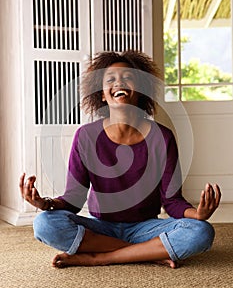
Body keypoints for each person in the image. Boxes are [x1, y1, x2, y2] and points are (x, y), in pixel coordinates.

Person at [19, 50, 221, 269]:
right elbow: (73, 199)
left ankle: (101, 257)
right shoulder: (86, 136)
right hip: (101, 228)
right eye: (111, 79)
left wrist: (197, 214)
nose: (119, 82)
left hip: (146, 228)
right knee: (44, 224)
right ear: (102, 94)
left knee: (201, 231)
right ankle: (149, 253)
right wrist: (45, 203)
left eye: (128, 77)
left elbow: (172, 201)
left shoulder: (162, 137)